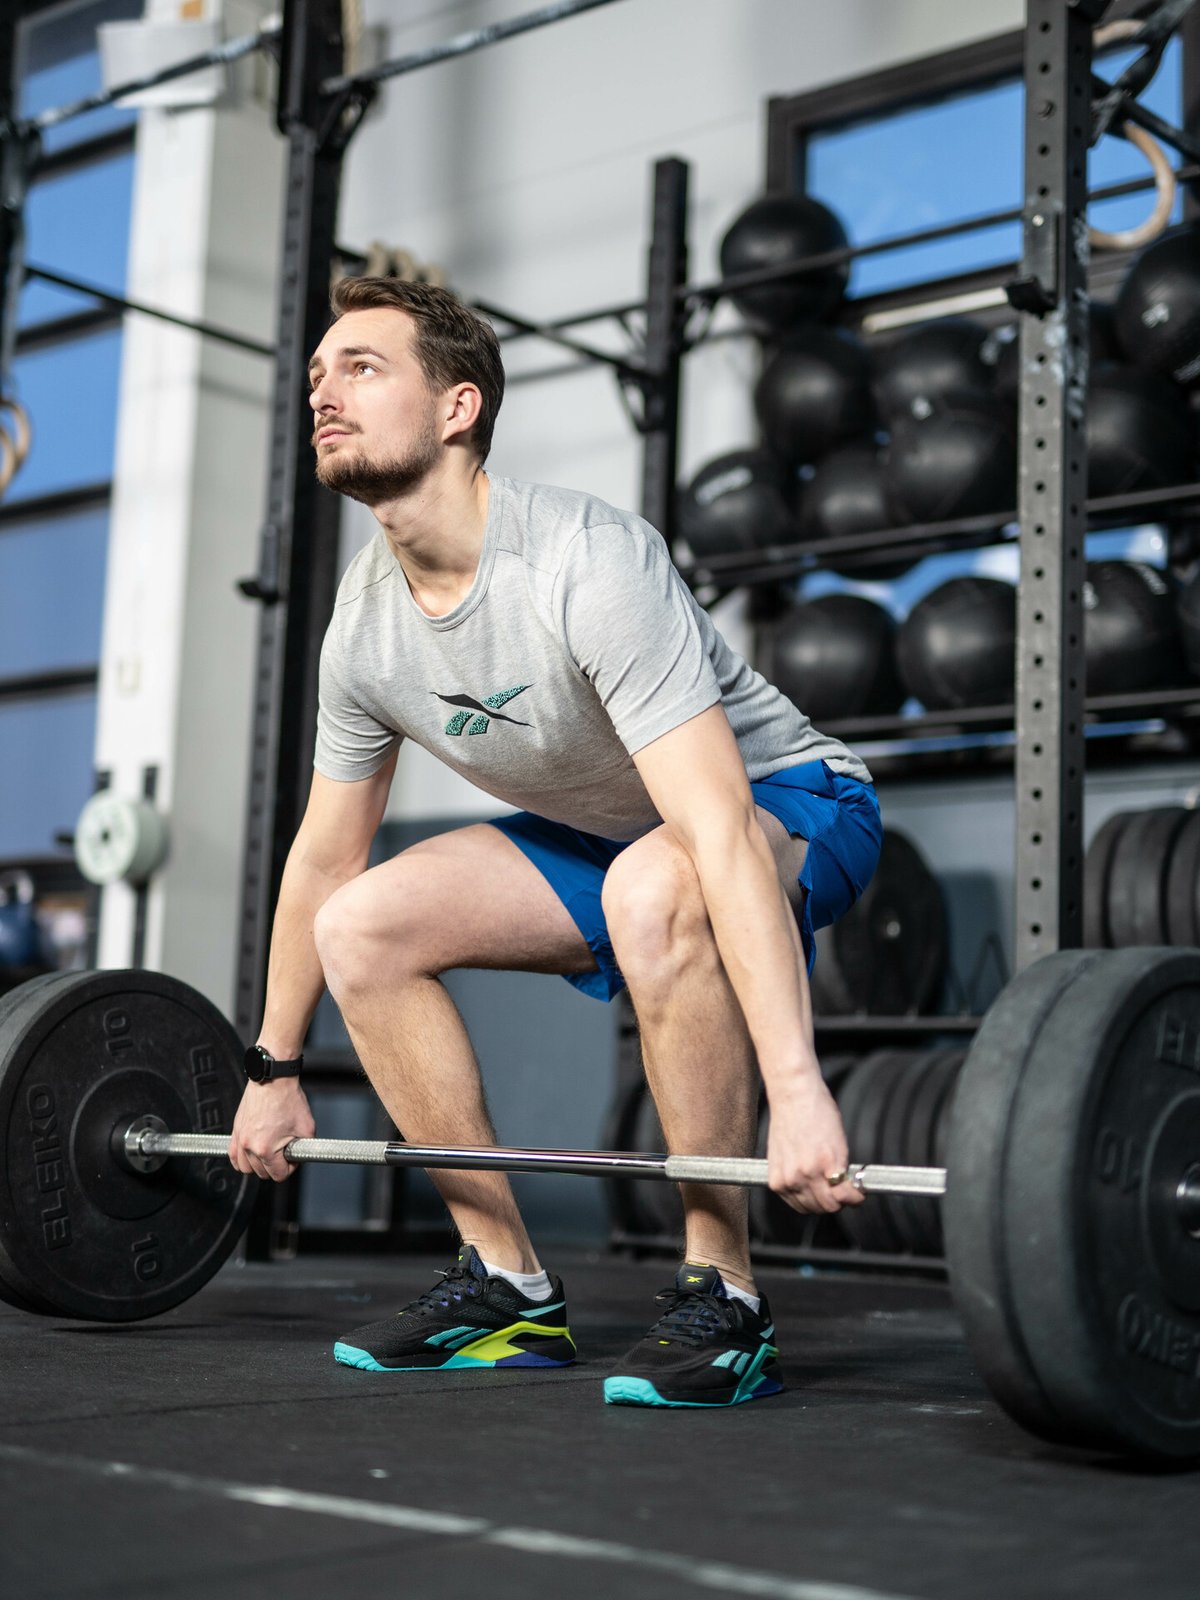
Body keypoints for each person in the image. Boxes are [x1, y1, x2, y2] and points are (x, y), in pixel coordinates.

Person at [228, 276, 882, 1409]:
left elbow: (718, 827)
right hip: (606, 831)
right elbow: (325, 858)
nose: (323, 389)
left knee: (655, 884)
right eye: (319, 370)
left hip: (791, 799)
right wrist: (272, 1071)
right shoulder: (364, 623)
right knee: (362, 923)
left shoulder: (584, 558)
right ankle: (506, 1285)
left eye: (363, 366)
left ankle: (723, 1293)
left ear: (457, 408)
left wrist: (799, 1088)